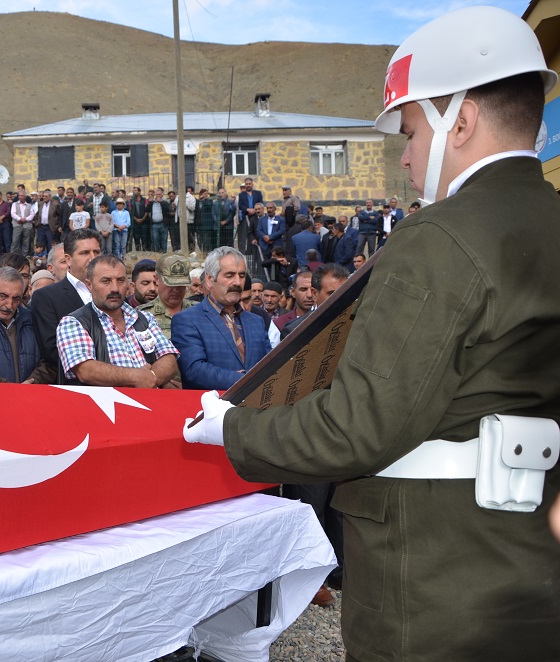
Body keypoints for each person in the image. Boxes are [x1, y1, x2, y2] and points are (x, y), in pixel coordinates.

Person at [184, 7, 560, 660]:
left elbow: (357, 427)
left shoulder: (440, 236)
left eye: (412, 133)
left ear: (461, 121)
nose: (408, 159)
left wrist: (231, 428)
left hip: (434, 583)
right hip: (526, 566)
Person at [56, 255, 178, 387]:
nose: (114, 288)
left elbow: (169, 359)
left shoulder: (144, 318)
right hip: (103, 406)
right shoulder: (74, 323)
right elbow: (85, 370)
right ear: (89, 285)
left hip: (150, 403)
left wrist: (151, 378)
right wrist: (137, 377)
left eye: (120, 280)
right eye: (106, 281)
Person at [171, 246, 270, 391]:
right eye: (229, 275)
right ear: (210, 280)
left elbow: (271, 363)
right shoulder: (187, 320)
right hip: (213, 409)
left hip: (256, 409)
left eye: (241, 276)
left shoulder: (256, 321)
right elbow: (194, 371)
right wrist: (247, 380)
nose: (237, 282)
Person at [30, 228, 102, 376]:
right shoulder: (46, 297)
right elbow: (52, 350)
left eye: (96, 252)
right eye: (84, 253)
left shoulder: (114, 294)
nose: (92, 258)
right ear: (68, 259)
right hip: (74, 386)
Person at [0, 267, 52, 384]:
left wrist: (33, 381)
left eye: (16, 298)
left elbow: (49, 360)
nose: (9, 305)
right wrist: (7, 387)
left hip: (29, 397)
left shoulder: (33, 320)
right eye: (3, 296)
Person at [136, 253, 196, 340]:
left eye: (181, 284)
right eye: (170, 284)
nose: (176, 290)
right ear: (156, 279)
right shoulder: (142, 315)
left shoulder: (199, 311)